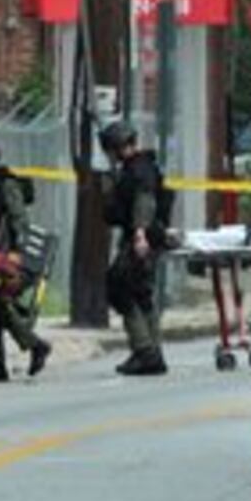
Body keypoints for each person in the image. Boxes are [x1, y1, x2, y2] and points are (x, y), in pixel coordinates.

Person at [0, 139, 52, 382]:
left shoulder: (4, 184)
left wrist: (16, 250)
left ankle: (34, 345)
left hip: (9, 256)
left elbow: (19, 220)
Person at [101, 121, 169, 376]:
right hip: (146, 236)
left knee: (120, 289)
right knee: (141, 292)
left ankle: (144, 350)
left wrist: (140, 235)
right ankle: (153, 352)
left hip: (142, 237)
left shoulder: (139, 169)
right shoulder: (138, 167)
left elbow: (145, 201)